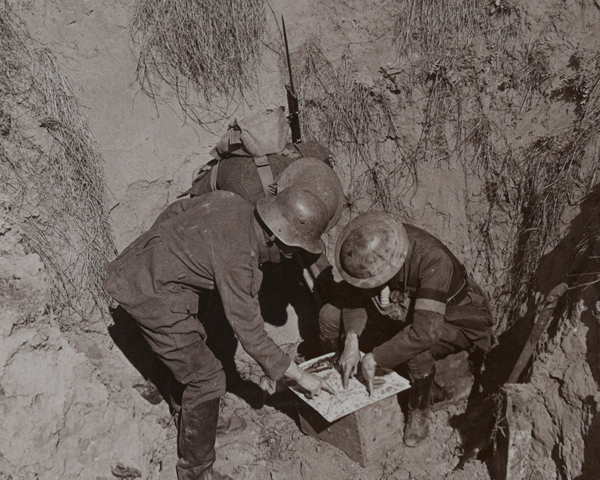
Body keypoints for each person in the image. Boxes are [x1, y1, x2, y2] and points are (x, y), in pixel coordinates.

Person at [104, 187, 334, 480]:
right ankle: (196, 472)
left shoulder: (231, 201)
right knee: (208, 379)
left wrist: (167, 252)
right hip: (151, 293)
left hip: (139, 267)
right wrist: (301, 376)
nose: (290, 257)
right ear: (279, 242)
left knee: (199, 345)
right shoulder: (240, 259)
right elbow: (251, 332)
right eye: (293, 252)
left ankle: (196, 420)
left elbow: (175, 211)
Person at [319, 211, 493, 447]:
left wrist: (376, 357)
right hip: (402, 311)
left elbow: (425, 332)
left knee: (418, 350)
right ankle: (336, 376)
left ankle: (420, 409)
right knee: (330, 314)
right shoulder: (369, 241)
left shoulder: (432, 260)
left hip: (453, 318)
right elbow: (356, 294)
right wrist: (351, 339)